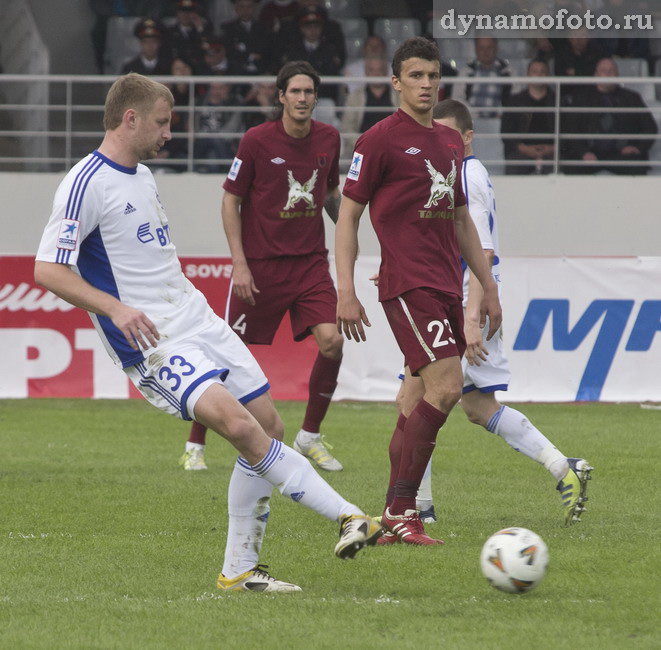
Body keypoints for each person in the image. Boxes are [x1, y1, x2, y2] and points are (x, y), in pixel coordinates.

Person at [33, 72, 381, 593]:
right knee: (239, 427)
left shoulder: (143, 175)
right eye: (161, 122)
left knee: (269, 427)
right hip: (152, 341)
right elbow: (47, 269)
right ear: (130, 119)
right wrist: (117, 310)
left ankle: (240, 568)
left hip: (195, 317)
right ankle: (349, 515)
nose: (169, 132)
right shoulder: (85, 183)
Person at [335, 37, 502, 546]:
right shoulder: (379, 140)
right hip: (407, 284)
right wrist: (345, 289)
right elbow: (347, 217)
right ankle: (402, 510)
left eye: (432, 76)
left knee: (412, 399)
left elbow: (459, 221)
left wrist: (488, 287)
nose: (425, 84)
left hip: (445, 285)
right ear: (395, 82)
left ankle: (392, 516)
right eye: (415, 76)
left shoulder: (450, 144)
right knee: (448, 387)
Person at [399, 98, 594, 530]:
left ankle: (415, 507)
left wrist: (470, 318)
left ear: (468, 138)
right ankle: (564, 467)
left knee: (412, 400)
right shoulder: (458, 174)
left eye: (450, 134)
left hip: (463, 304)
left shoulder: (468, 175)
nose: (441, 141)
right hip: (455, 299)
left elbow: (480, 252)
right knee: (476, 406)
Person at [181, 61, 347, 475]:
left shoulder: (329, 138)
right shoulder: (256, 140)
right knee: (224, 355)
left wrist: (349, 230)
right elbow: (229, 201)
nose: (303, 99)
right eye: (295, 92)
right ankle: (194, 445)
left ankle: (309, 437)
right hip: (260, 268)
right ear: (280, 97)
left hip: (310, 266)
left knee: (332, 342)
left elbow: (329, 195)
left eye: (309, 92)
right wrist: (239, 264)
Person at [562, 57, 658, 175]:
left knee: (636, 167)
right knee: (572, 168)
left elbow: (650, 128)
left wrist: (637, 148)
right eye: (603, 70)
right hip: (590, 152)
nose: (607, 73)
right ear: (595, 75)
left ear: (617, 75)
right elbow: (571, 129)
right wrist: (583, 152)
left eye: (611, 71)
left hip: (621, 154)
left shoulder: (632, 98)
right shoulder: (581, 98)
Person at [500, 59, 557, 175]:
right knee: (514, 168)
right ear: (528, 74)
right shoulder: (514, 101)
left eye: (542, 72)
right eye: (535, 71)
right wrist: (524, 148)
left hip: (551, 153)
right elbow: (506, 133)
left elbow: (568, 131)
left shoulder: (558, 101)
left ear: (548, 75)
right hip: (522, 152)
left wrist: (552, 148)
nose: (539, 75)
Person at [280, 7, 343, 103]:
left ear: (321, 28)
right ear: (302, 28)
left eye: (316, 27)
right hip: (297, 97)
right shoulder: (293, 49)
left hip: (323, 96)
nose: (312, 30)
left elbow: (332, 72)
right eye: (308, 27)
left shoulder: (329, 49)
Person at [340, 56, 398, 154]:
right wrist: (364, 145)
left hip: (394, 149)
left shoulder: (399, 96)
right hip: (363, 149)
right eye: (372, 70)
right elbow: (347, 127)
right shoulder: (355, 97)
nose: (376, 73)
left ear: (386, 71)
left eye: (380, 70)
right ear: (366, 72)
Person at [451, 37, 511, 117]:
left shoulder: (508, 71)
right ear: (476, 50)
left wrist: (502, 114)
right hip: (471, 120)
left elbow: (515, 98)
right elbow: (457, 98)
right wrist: (473, 114)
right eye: (481, 48)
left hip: (500, 121)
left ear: (496, 49)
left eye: (489, 47)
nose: (485, 52)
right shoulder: (466, 71)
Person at [194, 81, 243, 173]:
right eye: (214, 88)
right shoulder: (200, 101)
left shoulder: (233, 103)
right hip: (202, 141)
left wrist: (213, 137)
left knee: (212, 158)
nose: (217, 91)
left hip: (224, 143)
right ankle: (231, 169)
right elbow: (194, 127)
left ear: (228, 88)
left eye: (221, 88)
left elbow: (231, 130)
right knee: (211, 143)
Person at [220, 0, 275, 75]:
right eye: (242, 6)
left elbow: (267, 51)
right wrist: (251, 56)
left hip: (261, 72)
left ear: (255, 8)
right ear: (236, 8)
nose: (245, 10)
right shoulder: (228, 28)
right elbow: (230, 52)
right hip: (237, 73)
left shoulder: (265, 28)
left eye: (249, 7)